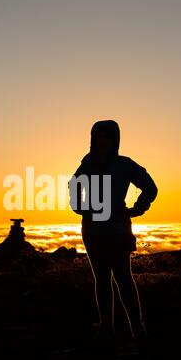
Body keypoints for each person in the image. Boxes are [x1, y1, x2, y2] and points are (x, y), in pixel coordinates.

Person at [68, 120, 158, 339]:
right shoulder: (87, 163)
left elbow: (150, 187)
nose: (103, 141)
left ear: (115, 140)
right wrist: (80, 208)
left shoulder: (125, 164)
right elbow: (73, 185)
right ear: (93, 140)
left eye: (107, 137)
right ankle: (107, 326)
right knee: (101, 279)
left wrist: (138, 209)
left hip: (117, 230)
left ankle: (137, 327)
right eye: (99, 137)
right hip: (92, 230)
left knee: (123, 277)